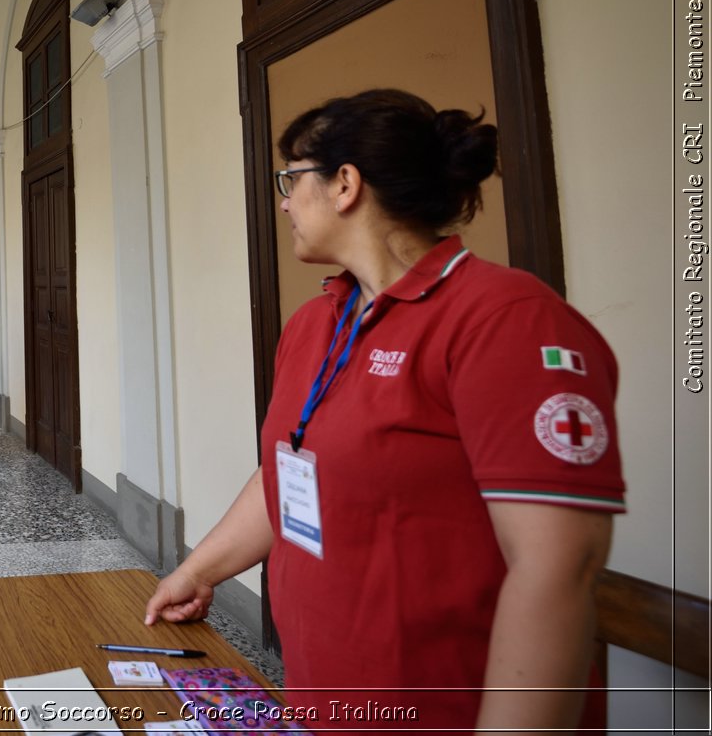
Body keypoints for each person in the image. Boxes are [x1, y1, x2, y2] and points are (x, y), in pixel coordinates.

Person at [143, 89, 624, 733]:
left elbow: (556, 568)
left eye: (291, 179)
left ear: (345, 184)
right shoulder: (317, 322)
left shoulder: (505, 320)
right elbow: (287, 471)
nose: (283, 200)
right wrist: (197, 570)